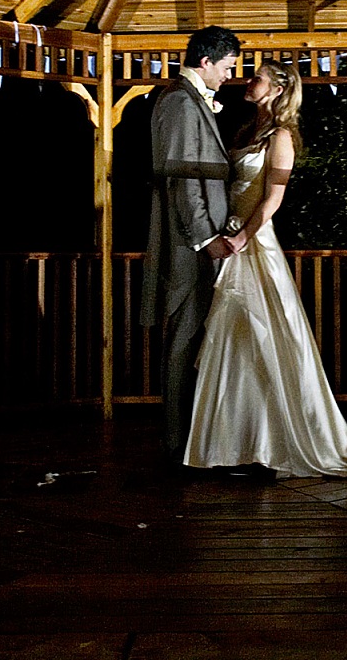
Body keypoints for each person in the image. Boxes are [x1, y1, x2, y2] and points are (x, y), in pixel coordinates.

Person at [184, 60, 347, 479]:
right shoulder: (247, 129)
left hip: (254, 242)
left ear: (279, 88)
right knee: (237, 340)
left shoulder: (281, 136)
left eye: (258, 77)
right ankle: (237, 444)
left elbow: (271, 200)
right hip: (230, 236)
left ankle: (275, 443)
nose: (249, 82)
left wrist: (243, 238)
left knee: (265, 336)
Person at [142, 25, 243, 463]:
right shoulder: (182, 103)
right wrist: (206, 239)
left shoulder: (191, 100)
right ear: (206, 62)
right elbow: (184, 182)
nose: (228, 76)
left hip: (203, 240)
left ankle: (197, 439)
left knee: (196, 337)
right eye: (226, 67)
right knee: (185, 337)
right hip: (191, 244)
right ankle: (179, 443)